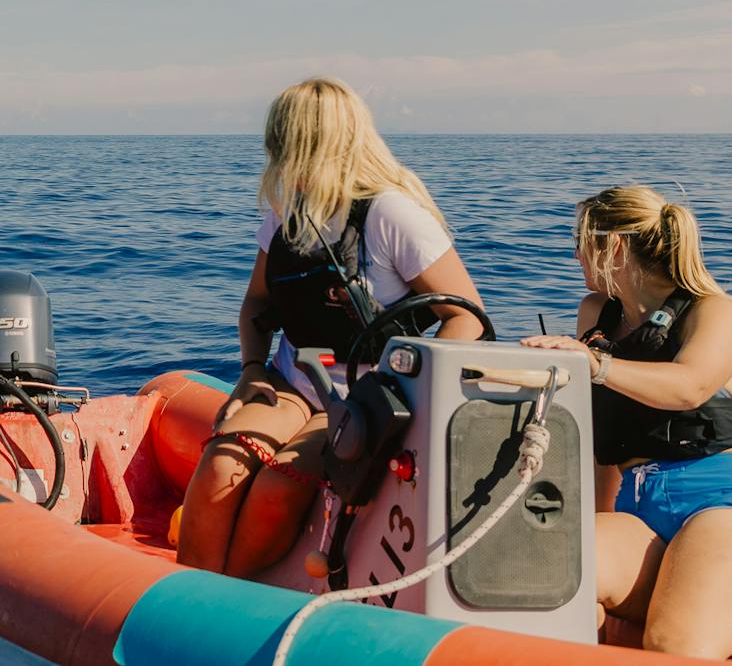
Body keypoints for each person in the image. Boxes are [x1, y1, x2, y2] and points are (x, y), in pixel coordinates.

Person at [177, 77, 486, 579]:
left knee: (280, 485)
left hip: (362, 397)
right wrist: (251, 371)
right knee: (222, 467)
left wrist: (403, 391)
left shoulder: (391, 215)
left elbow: (466, 314)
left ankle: (228, 601)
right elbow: (256, 305)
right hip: (294, 384)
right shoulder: (285, 218)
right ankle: (185, 603)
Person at [522, 186, 732, 659]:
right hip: (637, 503)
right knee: (536, 576)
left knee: (673, 645)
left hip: (718, 503)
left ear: (612, 246)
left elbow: (690, 386)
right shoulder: (596, 313)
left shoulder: (713, 310)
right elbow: (598, 434)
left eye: (581, 241)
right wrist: (600, 515)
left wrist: (596, 365)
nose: (575, 254)